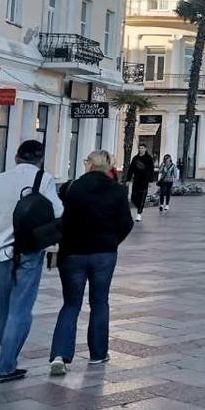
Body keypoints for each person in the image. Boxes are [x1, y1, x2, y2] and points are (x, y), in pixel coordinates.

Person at [0, 140, 63, 383]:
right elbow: (57, 212)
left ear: (16, 156)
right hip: (29, 252)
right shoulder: (43, 180)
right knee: (21, 310)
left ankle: (9, 360)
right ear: (40, 159)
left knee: (2, 312)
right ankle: (6, 366)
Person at [49, 150, 133, 375]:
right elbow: (126, 223)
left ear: (88, 164)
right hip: (103, 253)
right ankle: (97, 353)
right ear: (109, 166)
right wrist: (113, 240)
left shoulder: (71, 188)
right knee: (99, 301)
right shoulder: (117, 190)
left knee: (70, 303)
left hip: (72, 253)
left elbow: (60, 218)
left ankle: (60, 354)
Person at [124, 144, 155, 223]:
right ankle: (140, 207)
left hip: (145, 181)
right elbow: (131, 169)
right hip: (136, 180)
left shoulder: (149, 158)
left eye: (142, 148)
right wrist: (128, 179)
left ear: (145, 149)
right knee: (133, 197)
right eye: (139, 148)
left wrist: (150, 181)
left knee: (142, 197)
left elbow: (151, 170)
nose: (140, 149)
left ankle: (139, 213)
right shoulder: (135, 158)